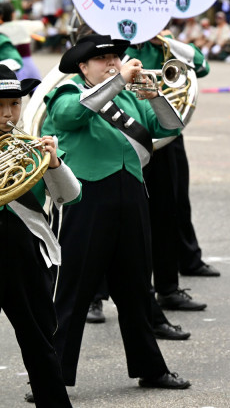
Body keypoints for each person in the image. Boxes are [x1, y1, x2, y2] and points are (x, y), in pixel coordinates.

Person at [42, 34, 190, 391]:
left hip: (132, 195)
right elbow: (73, 115)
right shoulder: (65, 94)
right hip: (85, 198)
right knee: (72, 292)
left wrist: (156, 98)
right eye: (103, 59)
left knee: (137, 288)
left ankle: (150, 368)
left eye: (115, 58)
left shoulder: (127, 97)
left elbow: (171, 127)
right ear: (82, 66)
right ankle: (51, 376)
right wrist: (119, 80)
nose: (113, 63)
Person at [0, 65, 80, 407]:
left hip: (24, 252)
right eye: (0, 106)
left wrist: (54, 163)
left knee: (40, 340)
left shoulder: (28, 148)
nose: (8, 114)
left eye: (14, 104)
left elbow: (69, 195)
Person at [123, 30, 216, 313]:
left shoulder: (163, 45)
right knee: (116, 221)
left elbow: (202, 67)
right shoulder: (111, 44)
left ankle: (168, 288)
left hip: (165, 136)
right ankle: (95, 299)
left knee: (168, 210)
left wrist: (166, 42)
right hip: (122, 137)